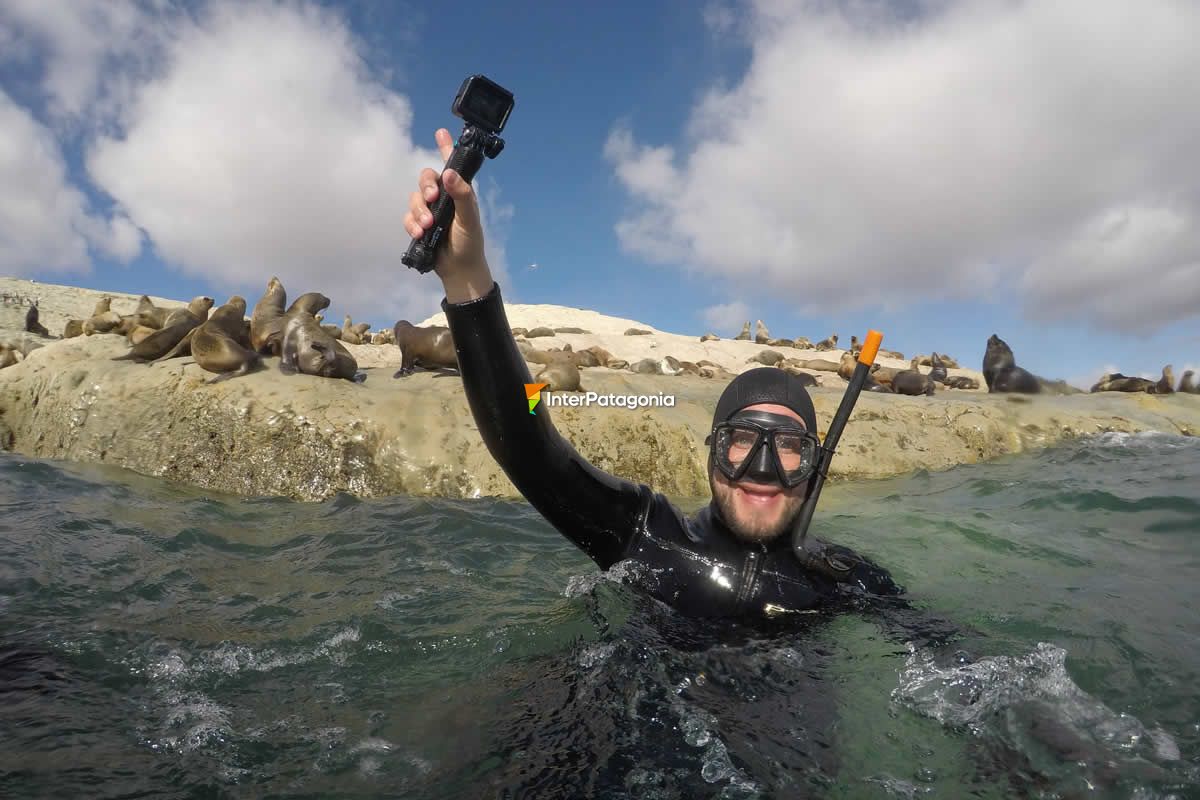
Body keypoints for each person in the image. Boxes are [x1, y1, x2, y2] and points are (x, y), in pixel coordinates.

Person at [403, 128, 903, 621]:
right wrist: (465, 279)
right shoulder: (648, 537)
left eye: (790, 447)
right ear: (712, 451)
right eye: (743, 439)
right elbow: (529, 451)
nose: (763, 468)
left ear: (815, 467)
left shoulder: (840, 581)